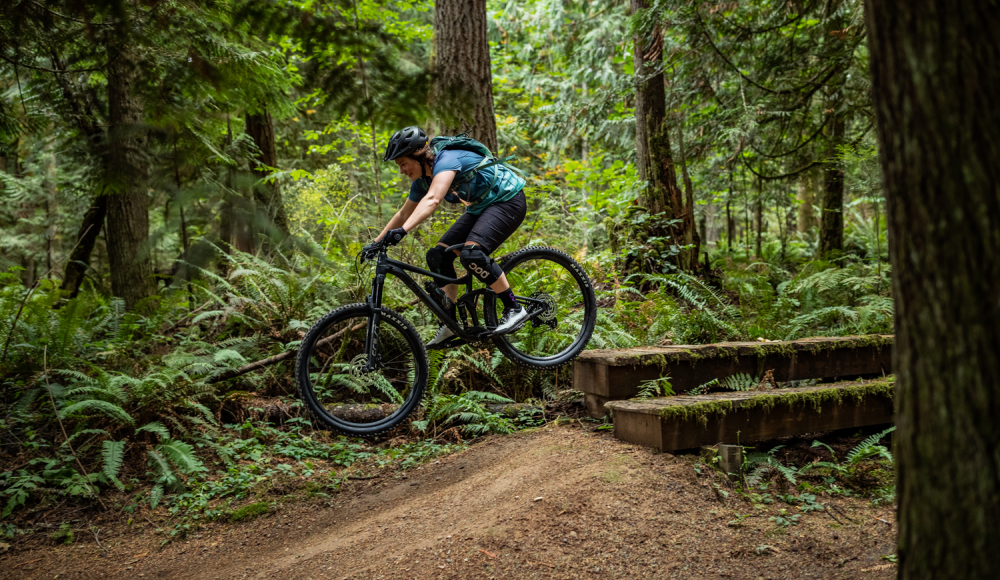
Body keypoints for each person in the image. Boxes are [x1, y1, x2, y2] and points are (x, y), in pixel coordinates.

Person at [369, 126, 529, 346]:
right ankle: (450, 324)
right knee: (438, 256)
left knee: (472, 254)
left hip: (508, 200)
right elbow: (403, 213)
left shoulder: (446, 160)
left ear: (418, 157)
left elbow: (433, 200)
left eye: (403, 164)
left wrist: (403, 232)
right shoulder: (422, 181)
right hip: (481, 207)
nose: (402, 171)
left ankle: (514, 308)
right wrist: (375, 243)